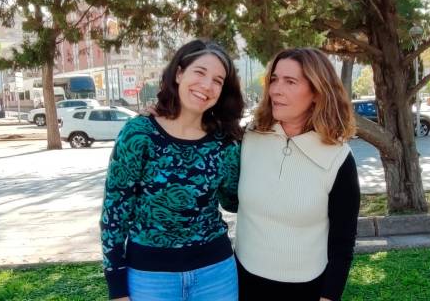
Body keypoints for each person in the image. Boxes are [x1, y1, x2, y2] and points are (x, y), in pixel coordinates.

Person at [100, 39, 244, 301]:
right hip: (150, 277)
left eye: (218, 80)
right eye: (199, 72)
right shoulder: (139, 133)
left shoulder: (224, 141)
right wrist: (116, 286)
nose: (206, 85)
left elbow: (231, 201)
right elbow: (115, 211)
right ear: (179, 73)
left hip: (216, 274)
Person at [235, 47, 360, 301]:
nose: (275, 90)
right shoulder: (249, 137)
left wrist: (329, 297)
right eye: (274, 79)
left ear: (316, 92)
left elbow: (342, 242)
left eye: (290, 81)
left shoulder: (338, 159)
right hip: (242, 282)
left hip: (305, 289)